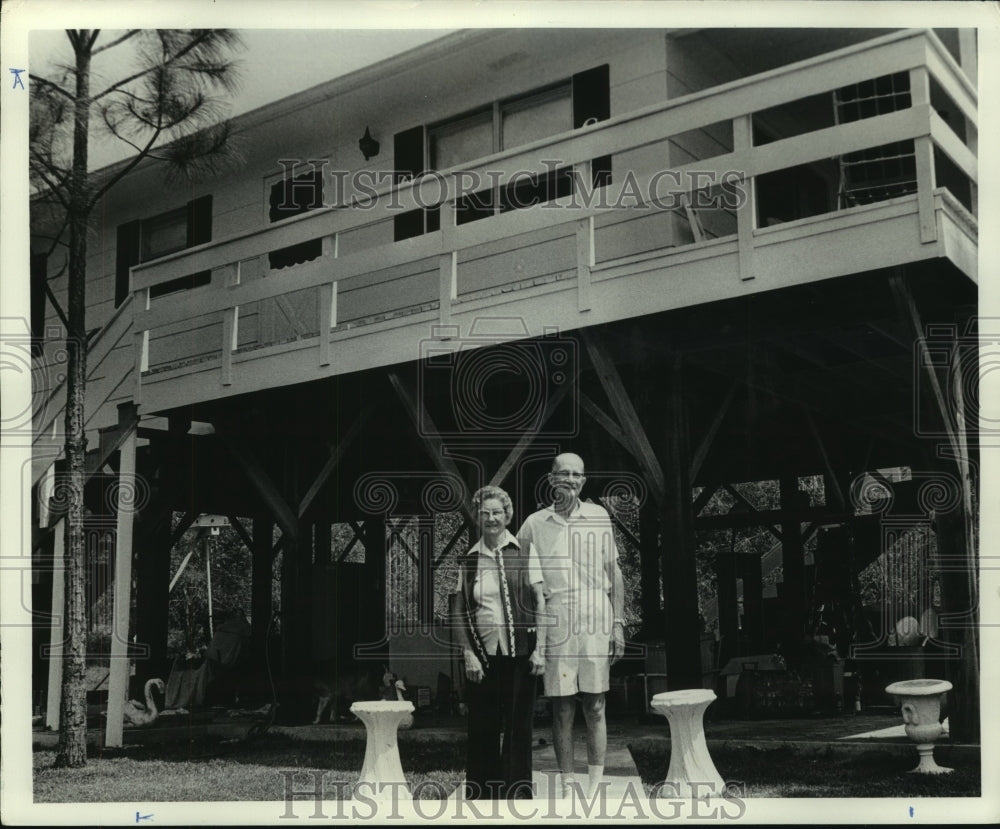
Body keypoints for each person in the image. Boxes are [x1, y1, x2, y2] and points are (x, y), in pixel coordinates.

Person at [517, 453, 625, 798]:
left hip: (596, 612)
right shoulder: (534, 523)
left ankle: (595, 784)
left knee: (595, 702)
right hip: (556, 614)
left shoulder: (599, 516)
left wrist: (619, 623)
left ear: (584, 480)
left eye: (577, 474)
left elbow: (615, 574)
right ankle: (567, 783)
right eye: (564, 473)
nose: (571, 480)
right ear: (551, 479)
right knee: (562, 705)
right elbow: (517, 573)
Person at [452, 485, 546, 799]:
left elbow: (540, 602)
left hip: (521, 652)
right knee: (482, 726)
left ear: (507, 516)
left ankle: (516, 794)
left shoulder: (526, 550)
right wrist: (468, 654)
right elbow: (458, 611)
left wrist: (541, 650)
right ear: (477, 518)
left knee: (520, 725)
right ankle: (483, 795)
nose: (492, 518)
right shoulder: (468, 560)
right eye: (485, 513)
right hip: (483, 655)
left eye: (497, 512)